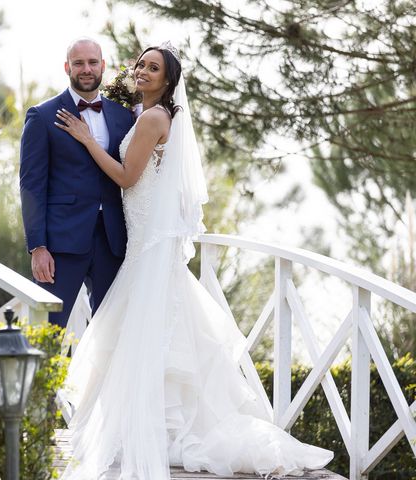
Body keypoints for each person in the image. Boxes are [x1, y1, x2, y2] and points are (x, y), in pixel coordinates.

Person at [54, 43, 334, 479]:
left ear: (168, 81)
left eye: (154, 68)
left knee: (147, 333)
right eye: (141, 65)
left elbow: (128, 177)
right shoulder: (150, 115)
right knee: (156, 331)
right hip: (145, 237)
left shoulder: (152, 118)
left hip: (147, 241)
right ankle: (162, 428)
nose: (143, 71)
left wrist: (88, 140)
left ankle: (159, 431)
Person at [20, 38, 135, 328]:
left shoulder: (123, 117)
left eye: (92, 62)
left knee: (110, 334)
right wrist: (38, 247)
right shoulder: (42, 116)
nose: (86, 69)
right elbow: (31, 185)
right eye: (79, 63)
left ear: (103, 66)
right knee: (46, 330)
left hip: (113, 242)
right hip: (60, 243)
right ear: (67, 67)